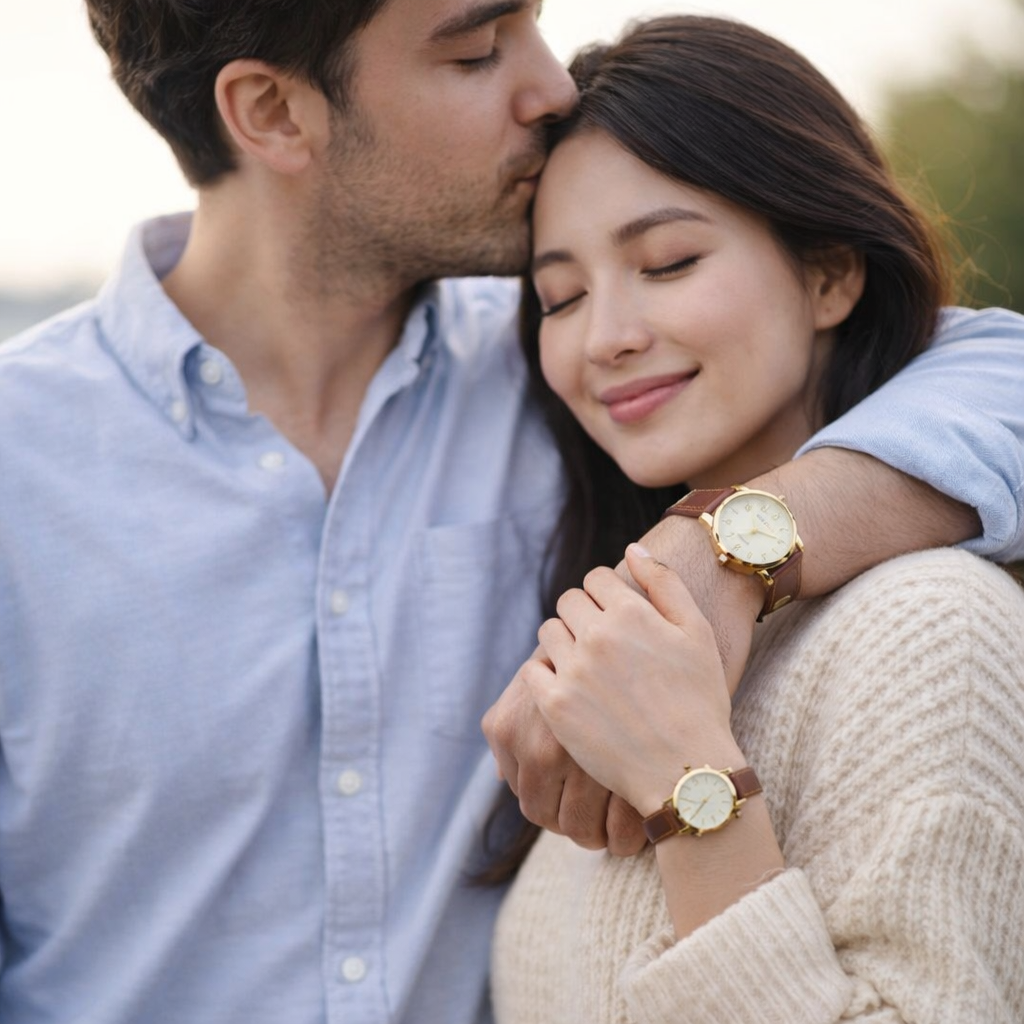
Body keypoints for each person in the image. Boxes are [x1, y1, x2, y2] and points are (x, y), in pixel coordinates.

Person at [0, 2, 1021, 1022]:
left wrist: (719, 546)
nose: (551, 89)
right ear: (271, 110)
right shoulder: (22, 463)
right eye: (477, 51)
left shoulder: (579, 387)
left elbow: (989, 371)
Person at [489, 15, 1024, 1023]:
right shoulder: (606, 654)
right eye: (559, 296)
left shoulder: (925, 623)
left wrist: (692, 790)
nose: (604, 337)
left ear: (827, 274)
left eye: (668, 262)